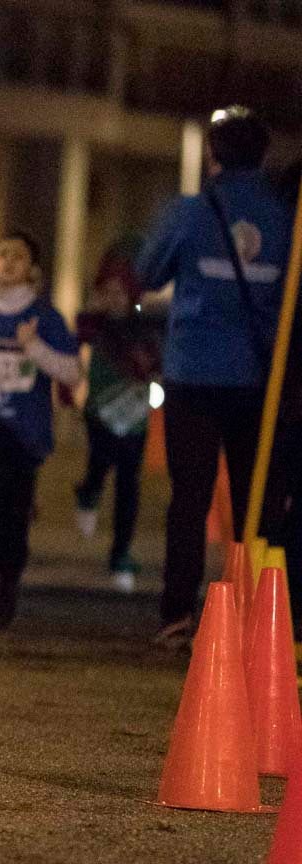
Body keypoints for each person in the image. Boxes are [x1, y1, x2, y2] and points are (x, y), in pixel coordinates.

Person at [136, 106, 290, 648]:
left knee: (191, 497)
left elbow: (148, 272)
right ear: (263, 155)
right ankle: (256, 612)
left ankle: (177, 615)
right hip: (259, 380)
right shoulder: (284, 213)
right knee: (257, 500)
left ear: (213, 155)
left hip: (194, 373)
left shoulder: (191, 211)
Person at [0, 231, 81, 627]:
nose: (8, 261)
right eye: (2, 254)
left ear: (32, 268)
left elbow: (72, 372)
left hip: (28, 432)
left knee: (14, 508)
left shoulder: (45, 318)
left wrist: (34, 349)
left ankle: (7, 583)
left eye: (18, 255)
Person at [73, 241, 163, 592]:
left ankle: (121, 552)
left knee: (129, 483)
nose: (113, 298)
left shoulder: (143, 325)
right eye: (106, 291)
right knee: (98, 467)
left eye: (119, 292)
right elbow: (78, 332)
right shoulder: (94, 324)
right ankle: (87, 493)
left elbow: (156, 361)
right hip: (98, 413)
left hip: (135, 417)